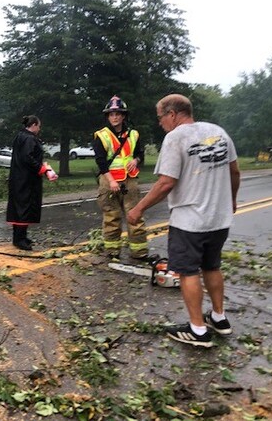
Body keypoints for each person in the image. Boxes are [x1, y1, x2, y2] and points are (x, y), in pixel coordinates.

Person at [127, 94, 240, 347]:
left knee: (188, 272)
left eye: (160, 117)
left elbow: (166, 182)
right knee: (212, 266)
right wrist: (231, 200)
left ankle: (198, 330)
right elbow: (234, 171)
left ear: (172, 114)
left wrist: (138, 209)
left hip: (190, 221)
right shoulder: (218, 132)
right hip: (219, 218)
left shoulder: (175, 137)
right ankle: (219, 319)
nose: (160, 123)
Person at [93, 95, 149, 259]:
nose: (115, 117)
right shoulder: (101, 136)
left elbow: (140, 154)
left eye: (118, 113)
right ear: (108, 116)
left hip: (130, 180)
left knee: (135, 215)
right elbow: (101, 162)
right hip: (108, 180)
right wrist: (111, 181)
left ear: (123, 115)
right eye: (111, 114)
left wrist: (136, 160)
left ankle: (139, 252)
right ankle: (112, 251)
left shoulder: (134, 134)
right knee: (111, 217)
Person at [6, 115, 57, 250]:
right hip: (26, 179)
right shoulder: (29, 139)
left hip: (18, 177)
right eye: (39, 126)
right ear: (33, 125)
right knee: (24, 207)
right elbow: (27, 158)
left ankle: (20, 236)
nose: (39, 129)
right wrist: (42, 169)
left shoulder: (20, 136)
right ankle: (19, 240)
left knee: (20, 207)